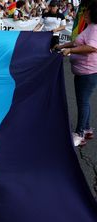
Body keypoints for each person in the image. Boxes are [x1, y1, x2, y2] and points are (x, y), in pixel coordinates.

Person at [56, 1, 97, 146]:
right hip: (84, 71)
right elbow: (76, 43)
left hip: (87, 72)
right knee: (84, 101)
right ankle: (86, 129)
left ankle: (79, 134)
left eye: (86, 11)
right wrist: (62, 46)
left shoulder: (94, 29)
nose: (83, 13)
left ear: (92, 13)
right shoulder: (89, 27)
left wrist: (70, 51)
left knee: (83, 102)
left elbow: (91, 47)